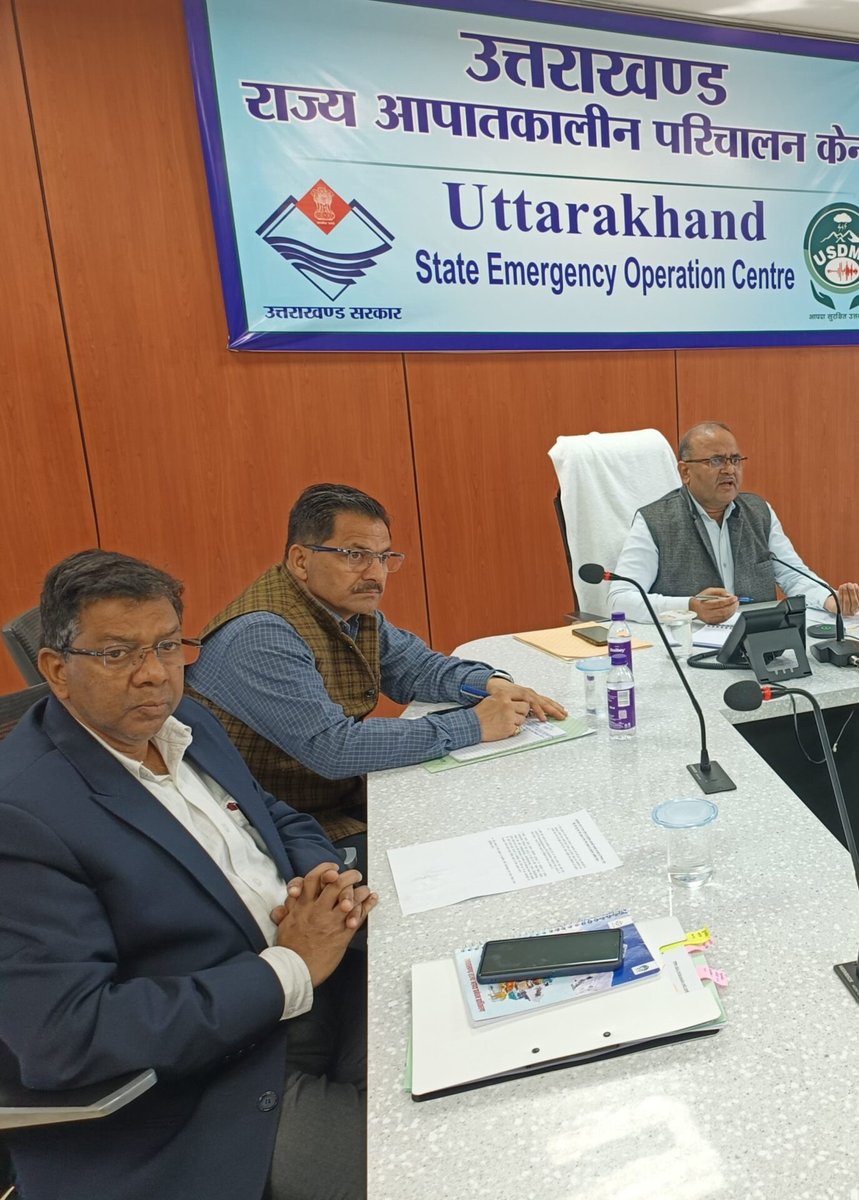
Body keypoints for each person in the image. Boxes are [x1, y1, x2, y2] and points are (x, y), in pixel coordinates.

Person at [0, 550, 375, 1200]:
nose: (153, 674)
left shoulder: (182, 720)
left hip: (321, 981)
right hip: (207, 1086)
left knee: (488, 1069)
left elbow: (273, 813)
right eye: (117, 654)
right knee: (435, 1164)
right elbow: (68, 1036)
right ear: (57, 670)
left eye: (168, 645)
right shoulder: (22, 814)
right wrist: (289, 967)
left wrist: (320, 879)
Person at [186, 484, 565, 865]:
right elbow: (333, 748)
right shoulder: (262, 633)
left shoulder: (347, 610)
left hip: (337, 798)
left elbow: (417, 668)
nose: (375, 574)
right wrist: (474, 724)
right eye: (355, 555)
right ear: (300, 560)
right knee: (454, 856)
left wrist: (491, 684)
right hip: (278, 826)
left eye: (383, 557)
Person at [608, 421, 859, 626]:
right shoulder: (655, 521)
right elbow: (620, 600)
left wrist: (829, 599)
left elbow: (793, 575)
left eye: (735, 460)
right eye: (716, 461)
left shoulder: (758, 512)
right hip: (686, 647)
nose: (729, 470)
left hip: (757, 642)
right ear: (685, 472)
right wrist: (689, 607)